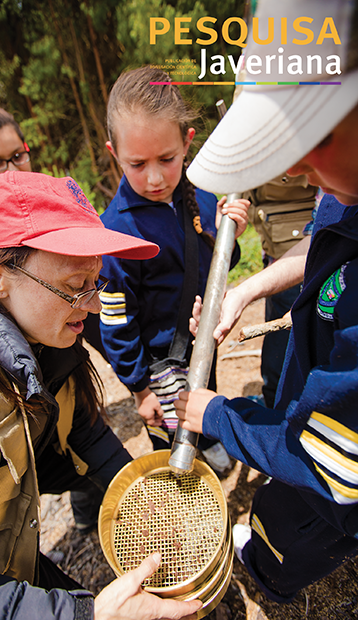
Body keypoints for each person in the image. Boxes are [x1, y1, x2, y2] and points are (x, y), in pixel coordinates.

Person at [0, 170, 202, 620]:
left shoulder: (45, 331)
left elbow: (83, 428)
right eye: (74, 286)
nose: (96, 304)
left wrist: (137, 500)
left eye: (96, 281)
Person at [175, 0, 358, 603]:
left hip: (333, 481)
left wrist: (220, 416)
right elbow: (328, 242)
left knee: (305, 529)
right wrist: (245, 291)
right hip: (308, 417)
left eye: (315, 134)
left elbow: (327, 460)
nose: (297, 167)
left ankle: (270, 575)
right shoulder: (346, 185)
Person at [0, 102, 107, 533]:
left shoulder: (48, 314)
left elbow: (84, 424)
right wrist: (88, 606)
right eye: (72, 286)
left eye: (17, 156)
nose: (10, 169)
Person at [99, 66, 250, 472]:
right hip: (158, 363)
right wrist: (139, 388)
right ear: (115, 154)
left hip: (202, 341)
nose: (153, 178)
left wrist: (226, 233)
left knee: (205, 394)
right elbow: (115, 322)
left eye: (167, 159)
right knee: (170, 432)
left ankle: (213, 442)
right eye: (136, 163)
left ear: (187, 143)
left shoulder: (199, 195)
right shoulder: (116, 232)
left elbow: (220, 266)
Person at [244, 174, 317, 407]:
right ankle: (274, 399)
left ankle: (282, 407)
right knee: (277, 344)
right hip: (280, 257)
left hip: (300, 260)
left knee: (288, 349)